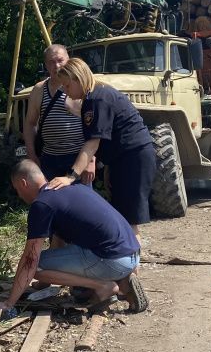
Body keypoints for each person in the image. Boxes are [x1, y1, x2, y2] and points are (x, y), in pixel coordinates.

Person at [0, 160, 149, 313]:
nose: (20, 196)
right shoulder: (73, 189)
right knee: (78, 291)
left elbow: (31, 259)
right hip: (132, 254)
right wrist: (42, 284)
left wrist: (9, 304)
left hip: (111, 260)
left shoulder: (42, 204)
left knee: (36, 266)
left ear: (23, 183)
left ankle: (103, 286)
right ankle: (123, 281)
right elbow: (58, 244)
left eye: (17, 190)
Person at [45, 57, 156, 241]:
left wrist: (70, 176)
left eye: (67, 86)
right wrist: (109, 167)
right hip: (124, 159)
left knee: (129, 221)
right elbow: (108, 137)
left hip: (134, 159)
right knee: (121, 216)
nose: (65, 91)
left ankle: (131, 266)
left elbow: (92, 143)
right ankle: (127, 264)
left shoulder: (97, 99)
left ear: (77, 79)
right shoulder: (93, 96)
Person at [23, 44, 94, 183]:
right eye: (51, 62)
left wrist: (91, 161)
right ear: (46, 65)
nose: (56, 65)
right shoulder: (39, 90)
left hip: (78, 157)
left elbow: (93, 125)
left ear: (68, 60)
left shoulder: (80, 86)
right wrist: (32, 155)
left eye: (60, 60)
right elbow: (30, 123)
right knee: (52, 200)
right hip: (49, 159)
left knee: (80, 201)